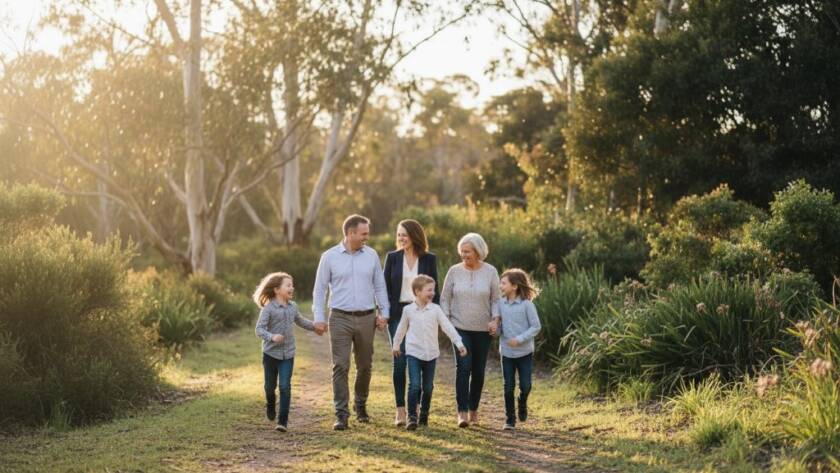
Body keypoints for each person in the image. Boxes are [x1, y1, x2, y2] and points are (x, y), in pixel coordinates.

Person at [312, 214, 390, 430]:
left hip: (367, 317)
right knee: (340, 365)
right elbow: (319, 290)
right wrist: (318, 317)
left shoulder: (371, 255)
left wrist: (384, 313)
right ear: (350, 233)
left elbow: (379, 286)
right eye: (364, 233)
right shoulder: (329, 257)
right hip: (339, 317)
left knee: (365, 366)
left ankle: (361, 404)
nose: (367, 237)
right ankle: (341, 414)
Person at [440, 232, 501, 428]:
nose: (464, 255)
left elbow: (496, 299)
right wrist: (446, 321)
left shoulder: (491, 271)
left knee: (479, 371)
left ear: (478, 251)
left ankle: (474, 409)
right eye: (462, 251)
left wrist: (495, 320)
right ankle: (462, 412)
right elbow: (445, 298)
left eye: (467, 252)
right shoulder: (454, 271)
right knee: (463, 368)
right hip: (459, 328)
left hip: (483, 330)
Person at [382, 219, 439, 426]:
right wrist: (384, 313)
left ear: (415, 235)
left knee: (420, 359)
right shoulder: (392, 258)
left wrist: (435, 315)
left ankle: (415, 409)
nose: (401, 238)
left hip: (422, 314)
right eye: (398, 235)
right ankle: (400, 410)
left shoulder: (429, 259)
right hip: (398, 314)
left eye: (404, 234)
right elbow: (384, 289)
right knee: (400, 362)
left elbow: (435, 290)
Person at [392, 275, 466, 430]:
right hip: (413, 353)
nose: (433, 293)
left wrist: (459, 343)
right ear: (417, 291)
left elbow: (447, 327)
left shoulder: (436, 309)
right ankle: (412, 416)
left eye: (433, 290)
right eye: (429, 290)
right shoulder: (408, 310)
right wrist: (396, 345)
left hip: (431, 354)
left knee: (428, 387)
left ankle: (424, 414)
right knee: (414, 386)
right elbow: (401, 329)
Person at [253, 272, 318, 432]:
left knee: (284, 386)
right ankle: (270, 404)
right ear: (276, 290)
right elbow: (259, 330)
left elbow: (301, 321)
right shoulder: (268, 308)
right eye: (288, 285)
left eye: (292, 285)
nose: (292, 288)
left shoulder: (293, 307)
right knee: (270, 387)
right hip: (270, 354)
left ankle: (282, 421)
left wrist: (316, 326)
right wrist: (272, 336)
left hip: (288, 354)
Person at [496, 268, 541, 430]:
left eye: (503, 283)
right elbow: (499, 326)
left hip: (524, 353)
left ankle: (522, 402)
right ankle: (510, 420)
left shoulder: (527, 305)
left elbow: (536, 327)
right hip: (507, 353)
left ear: (514, 286)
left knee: (526, 385)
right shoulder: (500, 304)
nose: (500, 286)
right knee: (508, 387)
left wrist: (519, 339)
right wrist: (495, 330)